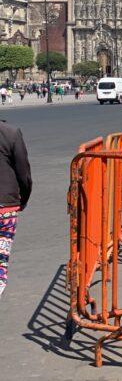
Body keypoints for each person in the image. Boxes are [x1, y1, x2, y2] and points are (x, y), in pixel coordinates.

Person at [0, 120, 32, 300]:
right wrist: (23, 198)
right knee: (1, 258)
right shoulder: (11, 133)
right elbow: (24, 174)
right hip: (6, 208)